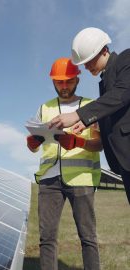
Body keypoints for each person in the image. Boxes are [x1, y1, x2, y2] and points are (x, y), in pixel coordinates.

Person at [27, 57, 102, 270]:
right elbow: (36, 145)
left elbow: (99, 144)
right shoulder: (45, 108)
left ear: (77, 80)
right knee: (46, 238)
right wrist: (31, 144)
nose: (64, 86)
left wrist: (79, 141)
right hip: (49, 179)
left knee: (88, 237)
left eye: (68, 81)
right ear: (53, 82)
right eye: (59, 82)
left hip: (81, 178)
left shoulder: (90, 106)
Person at [49, 27, 130, 204]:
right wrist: (91, 122)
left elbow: (122, 94)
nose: (86, 67)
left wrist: (79, 115)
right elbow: (116, 112)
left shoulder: (126, 58)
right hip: (124, 161)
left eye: (89, 61)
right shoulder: (105, 81)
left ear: (104, 51)